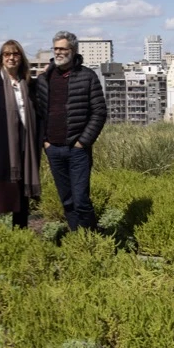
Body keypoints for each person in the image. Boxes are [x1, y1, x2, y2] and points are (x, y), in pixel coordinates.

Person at [34, 31, 107, 231]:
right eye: (56, 48)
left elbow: (99, 112)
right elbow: (38, 114)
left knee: (81, 199)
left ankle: (91, 238)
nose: (58, 52)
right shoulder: (44, 79)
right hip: (54, 149)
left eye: (63, 48)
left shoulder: (87, 76)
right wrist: (45, 142)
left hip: (77, 150)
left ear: (72, 51)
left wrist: (82, 142)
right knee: (67, 200)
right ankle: (77, 239)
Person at [0, 39, 41, 227]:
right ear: (1, 59)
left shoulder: (28, 84)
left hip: (25, 149)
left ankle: (20, 239)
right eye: (7, 54)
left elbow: (39, 114)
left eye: (15, 54)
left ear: (21, 58)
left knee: (21, 201)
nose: (11, 58)